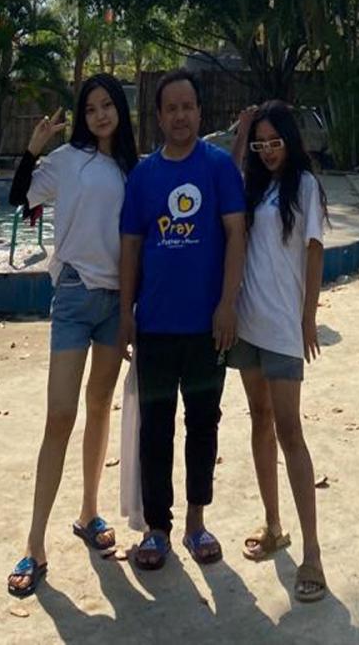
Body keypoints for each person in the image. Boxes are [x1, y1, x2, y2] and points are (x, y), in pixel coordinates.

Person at [6, 74, 138, 599]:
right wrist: (33, 148)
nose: (100, 114)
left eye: (108, 105)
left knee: (100, 406)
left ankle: (89, 512)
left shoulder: (131, 168)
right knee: (60, 415)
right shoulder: (66, 160)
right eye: (91, 108)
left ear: (120, 110)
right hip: (75, 296)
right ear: (82, 117)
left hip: (116, 303)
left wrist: (134, 308)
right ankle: (35, 544)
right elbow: (18, 196)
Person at [118, 68, 246, 572]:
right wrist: (126, 312)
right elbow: (131, 247)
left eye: (187, 107)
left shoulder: (219, 168)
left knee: (203, 424)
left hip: (206, 327)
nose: (180, 116)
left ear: (199, 111)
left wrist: (228, 304)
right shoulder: (143, 176)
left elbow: (236, 236)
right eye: (170, 108)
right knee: (155, 429)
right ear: (158, 116)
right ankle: (157, 528)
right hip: (154, 325)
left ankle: (196, 521)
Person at [230, 101, 329, 604]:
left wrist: (309, 316)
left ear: (290, 141)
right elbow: (224, 182)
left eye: (275, 142)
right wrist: (242, 131)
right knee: (259, 419)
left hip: (283, 326)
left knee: (291, 432)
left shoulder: (304, 186)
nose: (268, 151)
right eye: (260, 144)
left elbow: (315, 252)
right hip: (246, 324)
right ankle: (273, 525)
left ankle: (312, 553)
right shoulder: (251, 186)